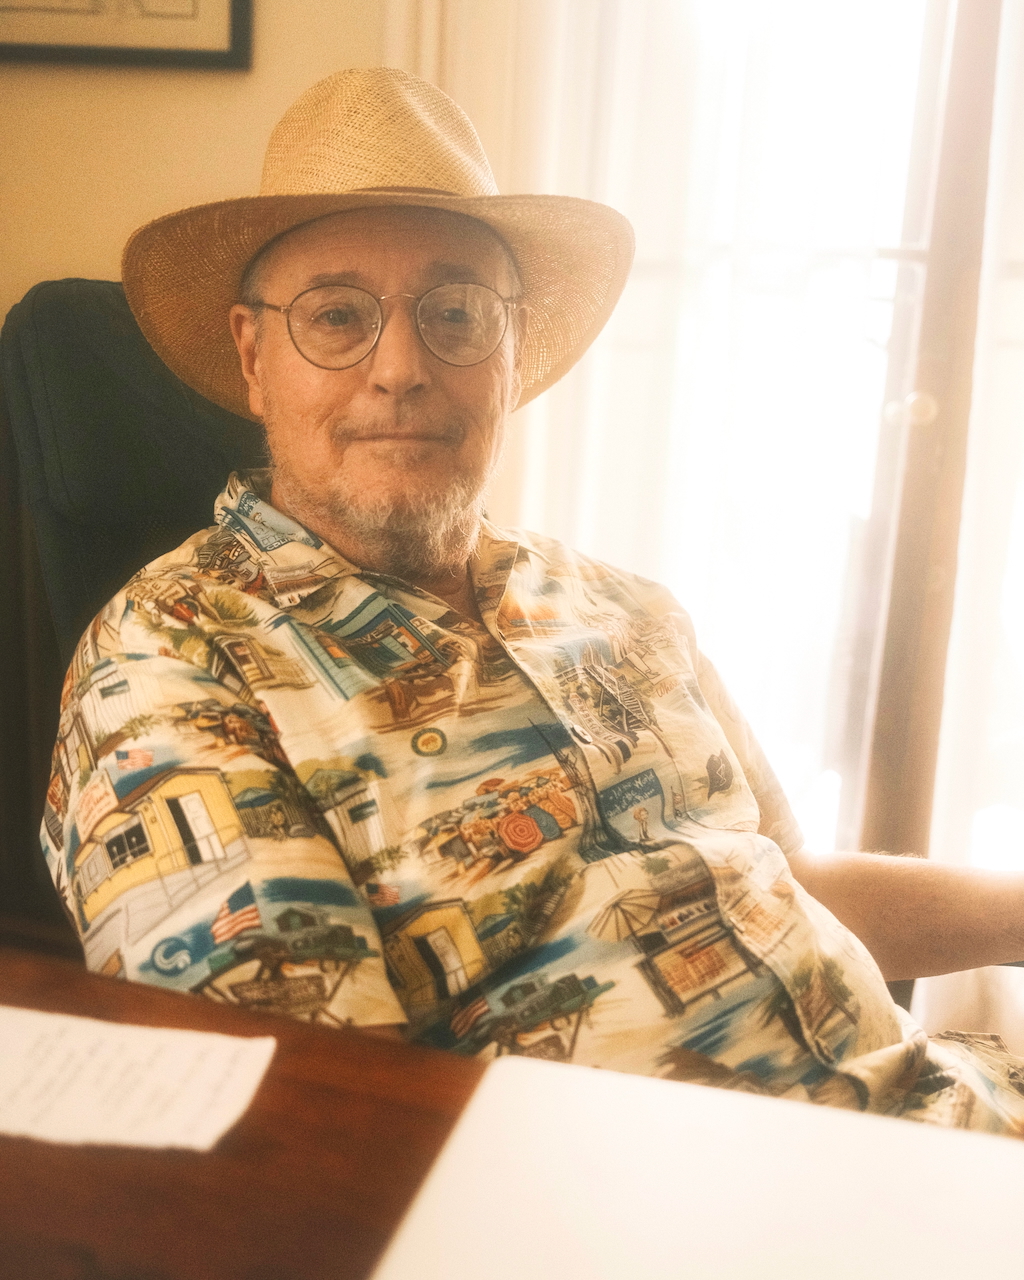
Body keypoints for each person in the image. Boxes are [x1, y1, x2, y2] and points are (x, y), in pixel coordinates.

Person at [42, 67, 1024, 1133]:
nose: (401, 367)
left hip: (949, 1107)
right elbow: (307, 1115)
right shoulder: (170, 660)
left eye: (456, 313)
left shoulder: (629, 608)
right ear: (253, 355)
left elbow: (784, 881)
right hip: (701, 1191)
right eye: (337, 316)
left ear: (511, 354)